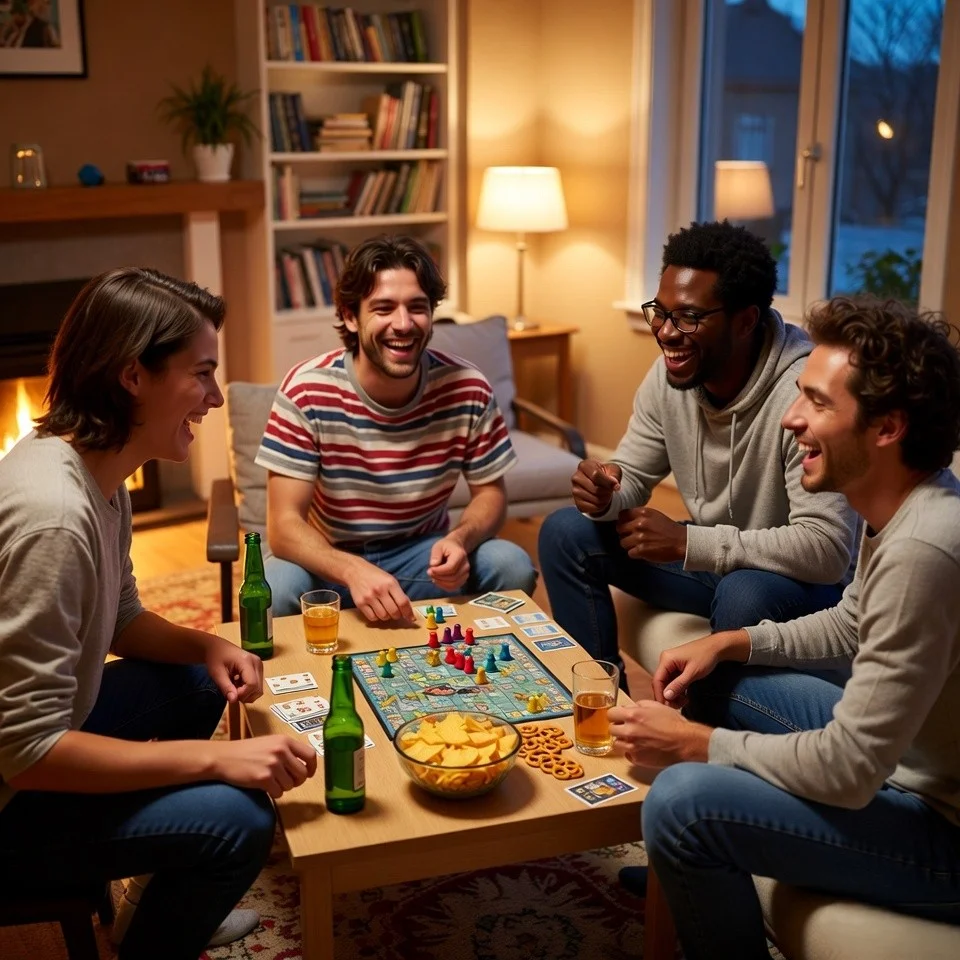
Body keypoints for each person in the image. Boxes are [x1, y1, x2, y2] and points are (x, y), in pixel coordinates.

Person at [609, 296, 960, 959]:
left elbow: (852, 768)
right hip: (910, 764)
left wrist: (695, 744)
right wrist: (730, 642)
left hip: (942, 834)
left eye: (819, 404)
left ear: (887, 428)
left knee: (682, 802)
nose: (792, 419)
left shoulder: (925, 548)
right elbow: (853, 621)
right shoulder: (909, 502)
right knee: (730, 682)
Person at [0, 268, 318, 960]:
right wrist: (216, 761)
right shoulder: (54, 516)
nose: (212, 397)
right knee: (238, 817)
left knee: (199, 678)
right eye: (201, 374)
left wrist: (208, 645)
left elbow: (119, 620)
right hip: (10, 804)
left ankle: (143, 906)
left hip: (45, 739)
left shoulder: (96, 471)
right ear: (132, 377)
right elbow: (24, 753)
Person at [538, 220, 860, 675]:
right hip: (715, 559)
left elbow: (827, 551)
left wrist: (691, 540)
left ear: (746, 320)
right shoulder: (670, 376)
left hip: (795, 582)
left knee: (743, 593)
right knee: (565, 531)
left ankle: (706, 730)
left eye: (688, 316)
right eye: (661, 312)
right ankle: (602, 700)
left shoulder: (803, 396)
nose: (666, 333)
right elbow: (632, 471)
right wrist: (607, 488)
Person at [258, 234, 537, 620]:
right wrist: (353, 570)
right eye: (384, 308)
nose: (403, 324)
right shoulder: (306, 389)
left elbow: (491, 494)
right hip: (327, 563)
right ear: (351, 316)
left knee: (511, 563)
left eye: (417, 307)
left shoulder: (468, 387)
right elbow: (284, 526)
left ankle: (486, 675)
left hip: (422, 557)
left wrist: (459, 539)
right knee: (273, 588)